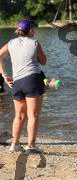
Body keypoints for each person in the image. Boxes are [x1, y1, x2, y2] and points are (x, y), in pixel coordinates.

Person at [0, 19, 47, 153]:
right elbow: (43, 61)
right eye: (34, 29)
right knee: (33, 115)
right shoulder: (34, 43)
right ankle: (31, 146)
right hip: (32, 80)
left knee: (19, 116)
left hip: (17, 82)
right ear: (30, 30)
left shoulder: (11, 43)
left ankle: (15, 145)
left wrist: (4, 75)